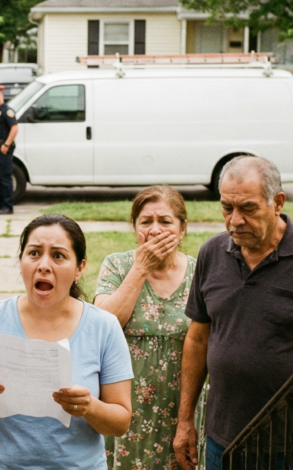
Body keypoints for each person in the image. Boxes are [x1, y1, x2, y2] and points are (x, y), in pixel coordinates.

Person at [0, 214, 134, 469]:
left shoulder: (104, 327)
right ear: (21, 261)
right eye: (34, 253)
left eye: (58, 256)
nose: (44, 265)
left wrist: (89, 406)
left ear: (79, 268)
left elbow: (121, 423)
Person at [174, 156, 293, 470]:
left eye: (248, 208)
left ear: (277, 203)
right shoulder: (212, 253)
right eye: (227, 208)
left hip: (291, 444)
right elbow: (198, 339)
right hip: (223, 441)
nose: (235, 221)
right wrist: (185, 421)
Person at [94, 185, 207, 469]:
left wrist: (187, 418)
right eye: (146, 222)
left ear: (182, 229)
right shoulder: (117, 266)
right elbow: (103, 325)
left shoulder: (200, 271)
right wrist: (141, 268)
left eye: (165, 221)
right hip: (127, 408)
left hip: (183, 409)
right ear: (135, 228)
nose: (155, 230)